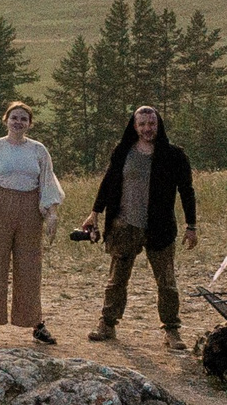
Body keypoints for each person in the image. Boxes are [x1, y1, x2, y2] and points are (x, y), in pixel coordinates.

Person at [81, 105, 198, 351]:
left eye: (151, 124)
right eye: (142, 124)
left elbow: (187, 191)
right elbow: (109, 182)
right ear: (134, 126)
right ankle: (107, 324)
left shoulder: (175, 155)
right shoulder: (123, 152)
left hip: (161, 228)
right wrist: (95, 213)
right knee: (116, 280)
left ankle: (172, 331)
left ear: (159, 125)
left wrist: (191, 225)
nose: (147, 129)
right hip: (125, 225)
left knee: (166, 282)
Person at [0, 101, 62, 347]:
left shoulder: (38, 151)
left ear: (29, 124)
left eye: (23, 119)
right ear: (6, 120)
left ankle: (36, 323)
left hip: (30, 208)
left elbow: (48, 182)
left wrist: (51, 213)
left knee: (30, 266)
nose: (18, 122)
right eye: (14, 118)